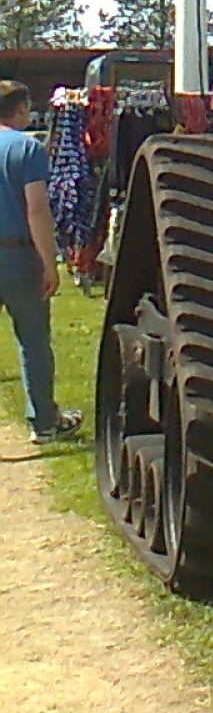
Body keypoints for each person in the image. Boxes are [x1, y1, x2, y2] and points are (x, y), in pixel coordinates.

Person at [0, 80, 81, 442]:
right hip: (18, 254)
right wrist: (50, 263)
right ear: (18, 109)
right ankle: (44, 421)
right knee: (32, 340)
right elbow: (37, 209)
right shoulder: (27, 148)